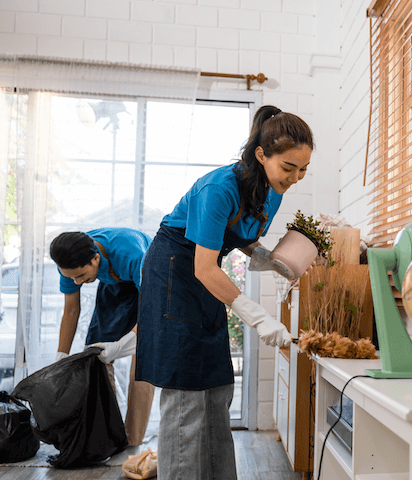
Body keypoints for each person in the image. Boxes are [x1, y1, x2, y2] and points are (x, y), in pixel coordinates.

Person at [135, 105, 313, 480]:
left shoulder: (273, 190)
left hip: (206, 279)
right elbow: (203, 266)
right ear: (262, 155)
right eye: (288, 168)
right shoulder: (218, 189)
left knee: (216, 387)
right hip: (175, 275)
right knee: (186, 389)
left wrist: (271, 258)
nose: (295, 178)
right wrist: (257, 315)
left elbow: (241, 239)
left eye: (303, 170)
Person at [50, 228, 156, 447]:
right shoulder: (70, 263)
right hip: (114, 283)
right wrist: (61, 356)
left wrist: (125, 344)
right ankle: (108, 434)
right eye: (72, 277)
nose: (76, 283)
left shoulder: (132, 254)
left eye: (80, 276)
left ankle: (132, 440)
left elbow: (152, 308)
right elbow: (71, 310)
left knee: (144, 358)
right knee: (95, 356)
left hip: (149, 283)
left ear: (96, 258)